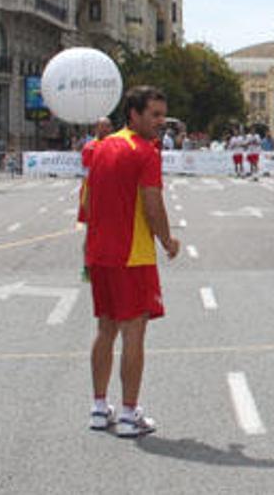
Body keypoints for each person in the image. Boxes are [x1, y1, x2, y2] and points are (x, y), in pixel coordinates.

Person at [84, 86, 180, 437]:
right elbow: (153, 203)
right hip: (132, 254)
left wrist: (88, 246)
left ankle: (98, 407)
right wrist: (168, 240)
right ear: (134, 114)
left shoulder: (101, 147)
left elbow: (88, 200)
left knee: (105, 328)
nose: (159, 122)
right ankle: (127, 413)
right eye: (153, 115)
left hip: (99, 252)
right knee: (134, 332)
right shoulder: (145, 152)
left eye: (161, 115)